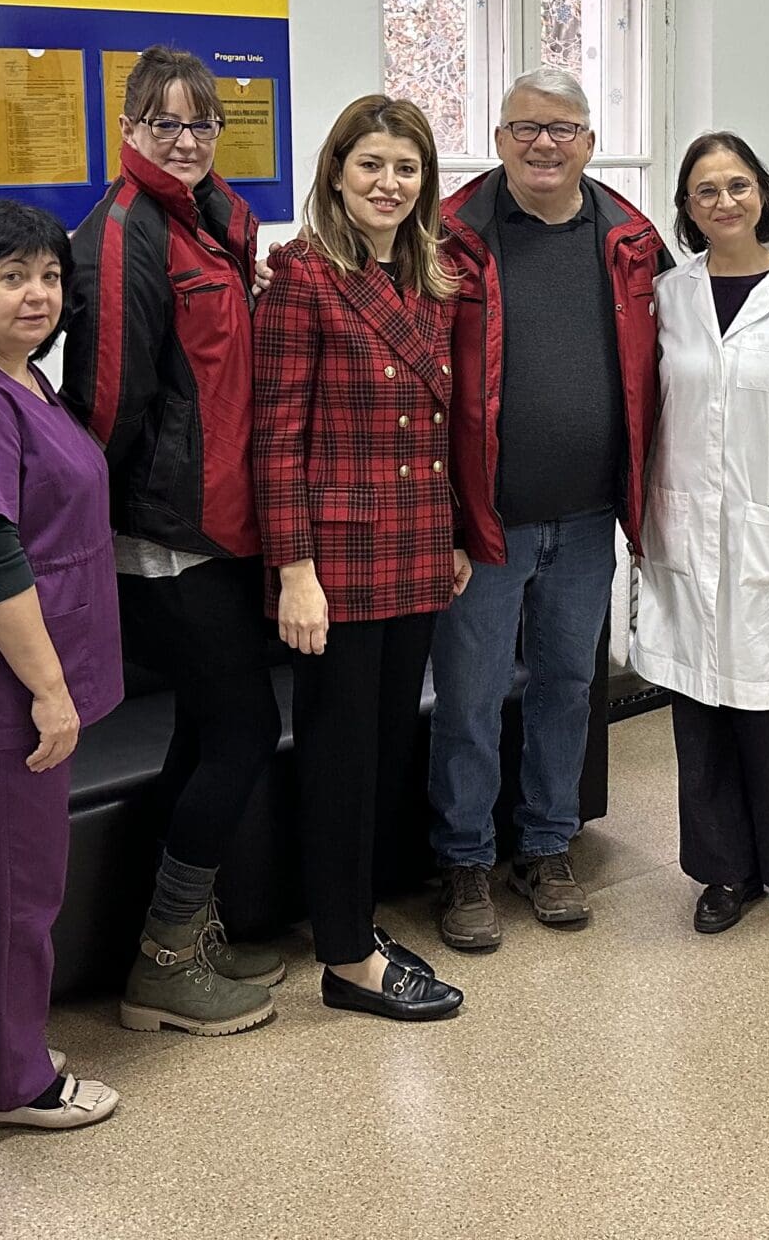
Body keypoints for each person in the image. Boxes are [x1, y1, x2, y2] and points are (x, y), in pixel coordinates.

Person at [62, 46, 282, 1037]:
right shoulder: (122, 235)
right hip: (163, 535)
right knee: (242, 731)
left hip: (227, 522)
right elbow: (107, 400)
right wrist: (92, 539)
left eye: (201, 123)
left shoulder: (218, 222)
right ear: (127, 129)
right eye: (164, 124)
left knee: (206, 728)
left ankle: (185, 933)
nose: (185, 141)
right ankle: (163, 961)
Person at [427, 68, 669, 953]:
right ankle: (464, 858)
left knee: (569, 687)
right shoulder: (449, 236)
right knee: (471, 696)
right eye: (526, 127)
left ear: (590, 142)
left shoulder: (631, 238)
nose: (544, 143)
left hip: (588, 517)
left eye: (562, 128)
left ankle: (546, 845)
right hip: (485, 520)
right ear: (498, 138)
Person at [254, 96, 473, 1021]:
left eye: (406, 168)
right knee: (339, 761)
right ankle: (345, 958)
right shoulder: (302, 276)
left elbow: (440, 424)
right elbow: (276, 441)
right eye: (371, 165)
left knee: (384, 753)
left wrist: (452, 532)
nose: (389, 184)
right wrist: (294, 573)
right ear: (337, 173)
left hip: (415, 545)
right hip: (335, 563)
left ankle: (361, 926)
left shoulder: (431, 275)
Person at [0, 202, 126, 1126]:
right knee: (17, 890)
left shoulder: (24, 377)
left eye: (48, 275)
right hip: (8, 683)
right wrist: (47, 691)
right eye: (10, 276)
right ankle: (11, 1081)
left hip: (39, 662)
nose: (37, 293)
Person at [635, 132, 769, 933]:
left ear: (762, 192)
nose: (724, 201)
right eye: (706, 190)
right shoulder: (667, 296)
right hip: (686, 530)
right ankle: (721, 871)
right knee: (700, 710)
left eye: (738, 185)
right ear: (687, 209)